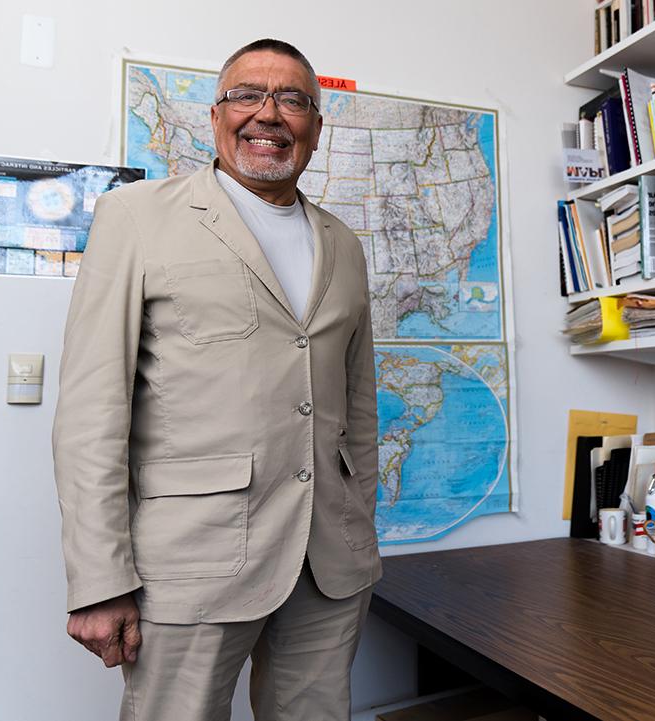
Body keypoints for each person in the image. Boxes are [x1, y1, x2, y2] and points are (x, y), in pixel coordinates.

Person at [52, 38, 380, 721]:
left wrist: (359, 518)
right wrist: (99, 579)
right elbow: (91, 411)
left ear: (316, 128)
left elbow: (360, 406)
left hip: (329, 563)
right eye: (247, 95)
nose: (270, 113)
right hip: (190, 562)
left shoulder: (344, 245)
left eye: (293, 99)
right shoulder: (135, 218)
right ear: (216, 116)